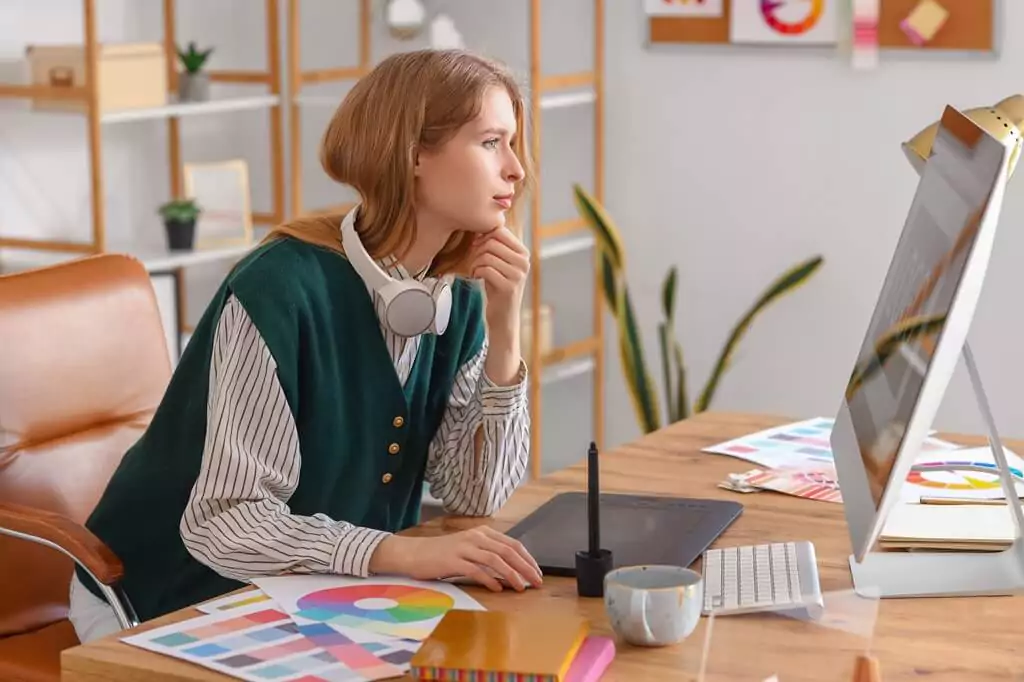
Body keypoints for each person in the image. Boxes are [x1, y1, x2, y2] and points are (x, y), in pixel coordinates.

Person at [67, 48, 543, 644]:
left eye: (514, 144)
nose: (516, 169)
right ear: (414, 154)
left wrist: (505, 330)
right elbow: (227, 523)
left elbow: (474, 494)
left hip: (314, 591)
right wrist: (399, 554)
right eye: (492, 142)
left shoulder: (460, 297)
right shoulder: (279, 288)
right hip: (169, 599)